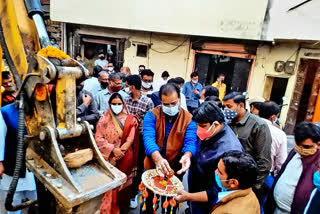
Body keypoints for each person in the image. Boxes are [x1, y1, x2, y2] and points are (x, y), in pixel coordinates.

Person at [176, 101, 243, 214]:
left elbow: (218, 191)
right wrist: (189, 155)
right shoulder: (210, 132)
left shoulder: (230, 150)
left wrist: (188, 196)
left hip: (209, 202)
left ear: (216, 124)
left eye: (202, 126)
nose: (198, 130)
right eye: (197, 125)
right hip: (196, 190)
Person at [143, 83, 197, 212]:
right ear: (161, 102)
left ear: (179, 99)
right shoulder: (151, 115)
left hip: (175, 168)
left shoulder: (189, 119)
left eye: (173, 103)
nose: (170, 107)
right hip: (153, 166)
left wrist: (187, 155)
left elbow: (190, 141)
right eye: (166, 104)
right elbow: (148, 138)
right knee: (148, 203)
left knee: (170, 204)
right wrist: (158, 159)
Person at [223, 92, 272, 202]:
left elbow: (264, 161)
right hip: (229, 183)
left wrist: (253, 188)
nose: (226, 110)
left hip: (248, 186)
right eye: (224, 106)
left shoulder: (258, 125)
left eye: (229, 106)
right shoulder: (228, 124)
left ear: (241, 105)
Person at [95, 93, 139, 214]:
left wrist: (119, 154)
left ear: (123, 104)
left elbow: (130, 139)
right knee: (109, 187)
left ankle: (122, 208)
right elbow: (98, 138)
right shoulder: (104, 118)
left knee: (122, 188)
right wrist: (113, 150)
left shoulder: (131, 119)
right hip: (108, 157)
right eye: (114, 104)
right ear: (109, 104)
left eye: (119, 104)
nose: (117, 106)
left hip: (124, 157)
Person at [176, 151, 260, 214]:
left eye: (220, 172)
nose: (215, 172)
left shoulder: (230, 211)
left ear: (233, 183)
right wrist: (188, 196)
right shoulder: (248, 192)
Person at [265, 122, 320, 214]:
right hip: (276, 208)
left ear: (318, 144)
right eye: (298, 145)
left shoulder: (318, 163)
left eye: (306, 147)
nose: (301, 149)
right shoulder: (295, 152)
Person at [123, 75, 154, 208]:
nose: (125, 88)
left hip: (140, 139)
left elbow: (151, 123)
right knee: (126, 165)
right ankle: (124, 191)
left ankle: (134, 193)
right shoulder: (125, 100)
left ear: (132, 87)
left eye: (127, 85)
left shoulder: (147, 102)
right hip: (126, 139)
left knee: (138, 167)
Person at [0, 105, 37, 214]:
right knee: (14, 203)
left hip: (36, 168)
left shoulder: (42, 111)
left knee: (41, 200)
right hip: (12, 165)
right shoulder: (5, 112)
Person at [259, 101, 287, 176]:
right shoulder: (280, 134)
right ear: (273, 117)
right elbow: (281, 162)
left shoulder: (248, 126)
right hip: (264, 174)